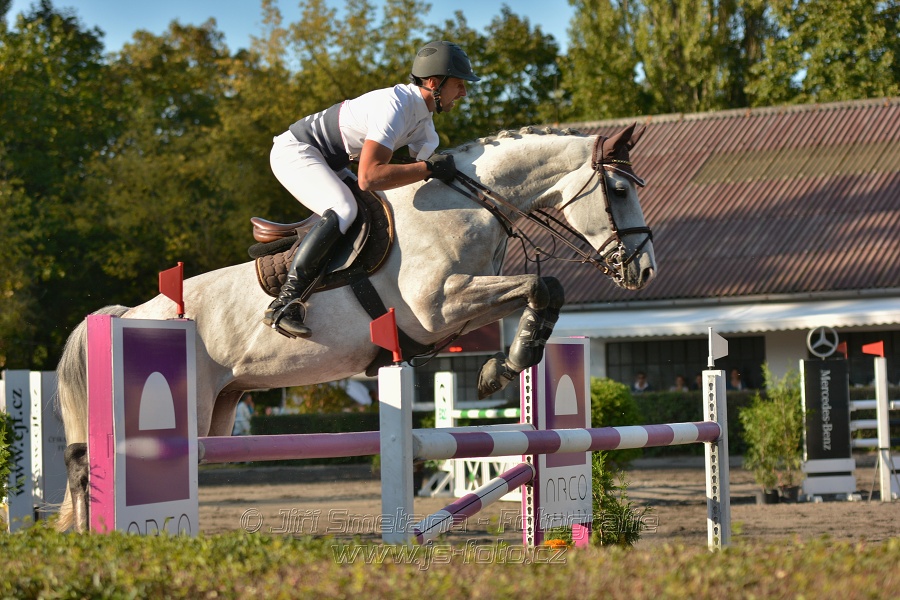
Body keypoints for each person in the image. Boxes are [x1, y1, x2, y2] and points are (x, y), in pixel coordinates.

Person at [264, 40, 480, 338]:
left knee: (375, 209)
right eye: (459, 84)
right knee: (344, 209)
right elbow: (369, 177)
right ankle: (285, 303)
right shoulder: (395, 106)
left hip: (330, 160)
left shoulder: (425, 126)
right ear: (434, 83)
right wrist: (429, 168)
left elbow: (416, 179)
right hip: (296, 150)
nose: (464, 93)